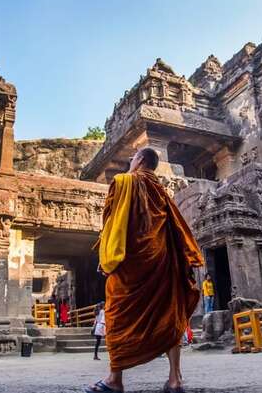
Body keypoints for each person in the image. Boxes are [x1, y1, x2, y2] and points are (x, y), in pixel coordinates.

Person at [86, 148, 204, 393]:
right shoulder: (163, 192)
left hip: (129, 266)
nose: (131, 163)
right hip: (162, 263)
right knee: (170, 315)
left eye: (133, 159)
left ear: (139, 161)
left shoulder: (122, 182)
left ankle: (114, 380)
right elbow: (176, 231)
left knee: (118, 316)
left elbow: (111, 224)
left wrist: (107, 257)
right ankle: (175, 379)